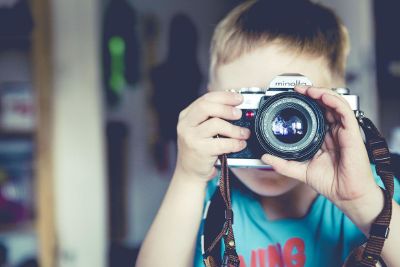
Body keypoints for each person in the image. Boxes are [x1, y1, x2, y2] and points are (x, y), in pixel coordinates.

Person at [136, 1, 400, 266]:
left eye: (293, 109)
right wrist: (189, 176)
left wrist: (363, 203)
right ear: (211, 102)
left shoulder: (368, 189)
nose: (269, 137)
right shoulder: (205, 198)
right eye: (251, 109)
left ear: (337, 106)